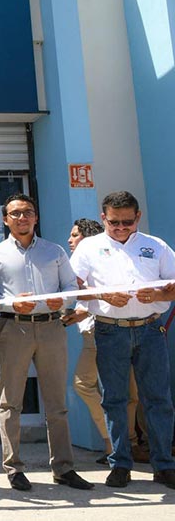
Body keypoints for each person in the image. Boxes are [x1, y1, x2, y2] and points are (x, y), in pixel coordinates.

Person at [0, 193, 93, 491]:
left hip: (51, 327)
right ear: (5, 219)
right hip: (13, 328)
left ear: (36, 217)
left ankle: (64, 468)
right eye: (15, 213)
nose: (22, 218)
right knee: (10, 402)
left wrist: (63, 300)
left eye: (27, 212)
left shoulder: (55, 251)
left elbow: (70, 286)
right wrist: (11, 302)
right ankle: (13, 468)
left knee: (57, 403)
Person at [70, 191, 175, 489]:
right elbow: (71, 286)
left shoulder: (156, 246)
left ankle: (164, 465)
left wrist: (158, 294)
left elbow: (173, 285)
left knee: (158, 399)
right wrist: (102, 295)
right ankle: (119, 464)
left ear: (138, 217)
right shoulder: (89, 247)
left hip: (150, 329)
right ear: (103, 218)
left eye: (127, 222)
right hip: (109, 330)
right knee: (114, 399)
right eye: (114, 222)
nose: (120, 228)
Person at [64, 218, 148, 466]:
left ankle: (121, 442)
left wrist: (83, 311)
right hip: (95, 333)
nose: (70, 240)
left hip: (107, 331)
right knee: (120, 391)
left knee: (110, 388)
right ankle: (123, 442)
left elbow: (109, 295)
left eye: (75, 235)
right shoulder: (78, 264)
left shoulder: (102, 259)